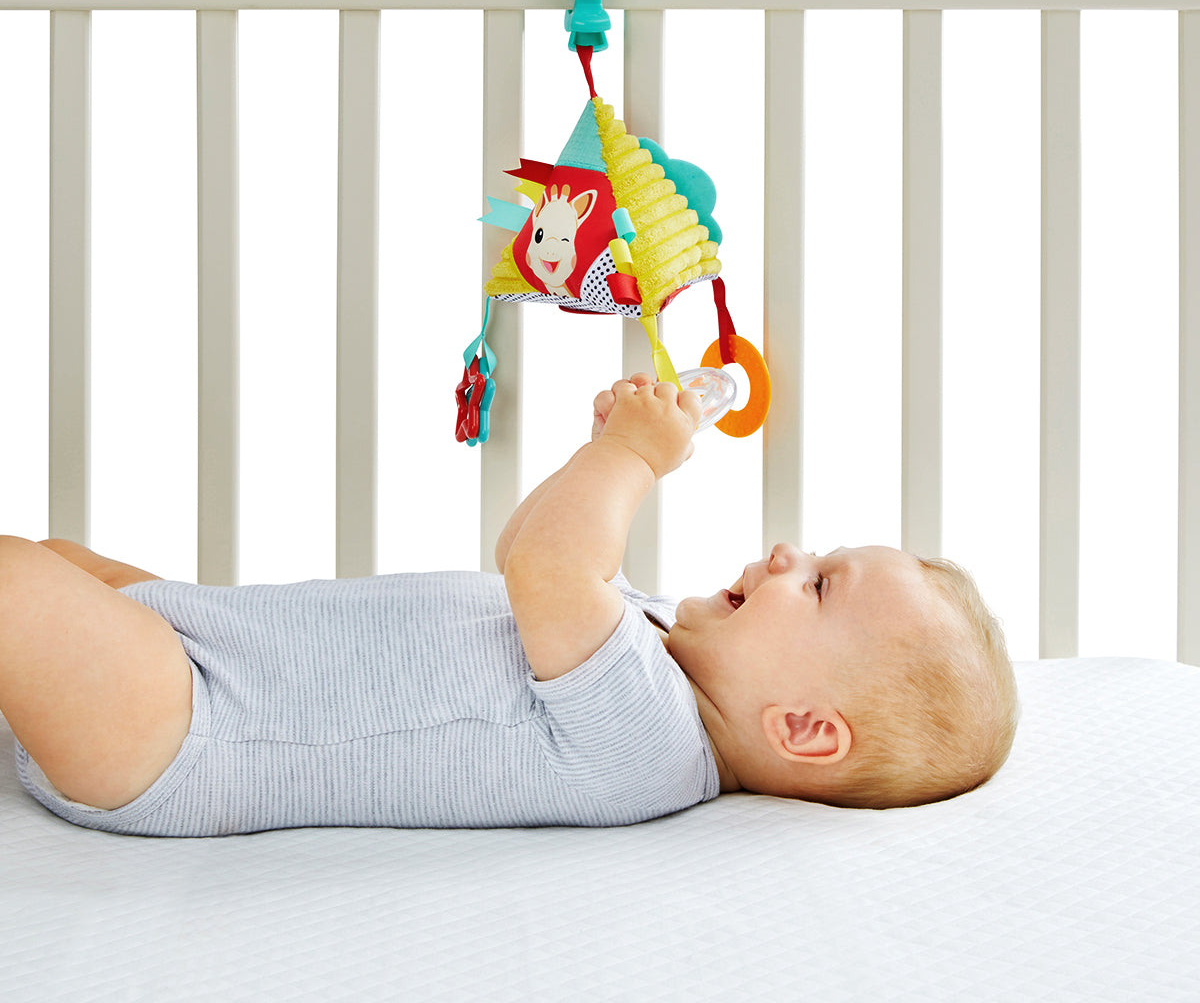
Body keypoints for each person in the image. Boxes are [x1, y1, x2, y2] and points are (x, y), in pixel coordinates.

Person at [0, 374, 1018, 836]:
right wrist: (596, 457)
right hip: (212, 644)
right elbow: (537, 552)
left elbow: (544, 563)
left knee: (13, 579)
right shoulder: (654, 646)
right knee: (55, 562)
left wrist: (630, 457)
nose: (791, 553)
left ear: (802, 729)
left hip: (190, 729)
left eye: (821, 583)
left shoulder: (655, 739)